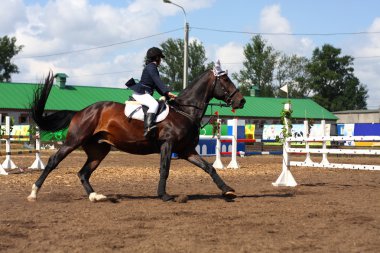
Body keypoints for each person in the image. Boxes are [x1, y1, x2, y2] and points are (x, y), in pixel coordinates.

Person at [127, 47, 177, 138]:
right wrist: (167, 91)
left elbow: (157, 86)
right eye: (160, 58)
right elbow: (157, 80)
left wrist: (167, 95)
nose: (161, 60)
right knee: (154, 104)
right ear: (157, 58)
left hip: (145, 93)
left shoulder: (151, 67)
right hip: (142, 93)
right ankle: (148, 128)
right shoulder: (151, 67)